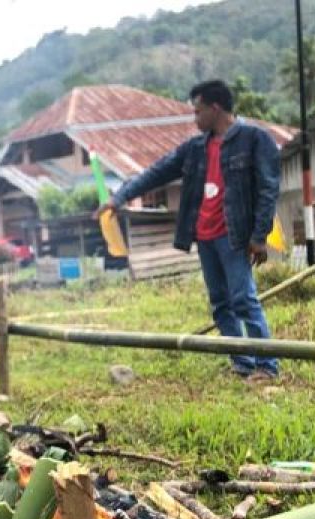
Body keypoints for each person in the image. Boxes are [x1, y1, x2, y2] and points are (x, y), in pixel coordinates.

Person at [97, 79, 281, 380]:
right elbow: (157, 171)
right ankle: (242, 362)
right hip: (205, 236)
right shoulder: (196, 147)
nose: (195, 119)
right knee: (221, 303)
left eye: (197, 112)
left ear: (215, 108)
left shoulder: (254, 139)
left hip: (234, 235)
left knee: (243, 299)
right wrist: (119, 198)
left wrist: (259, 236)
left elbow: (269, 189)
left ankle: (266, 366)